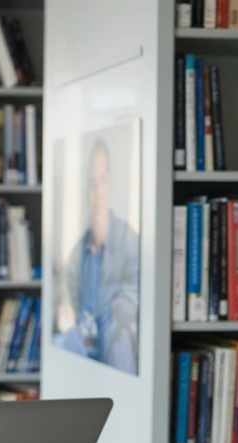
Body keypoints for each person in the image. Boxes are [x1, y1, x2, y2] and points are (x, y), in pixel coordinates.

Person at [55, 139, 140, 374]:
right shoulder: (76, 255)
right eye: (92, 184)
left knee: (120, 340)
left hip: (116, 350)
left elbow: (136, 301)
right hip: (86, 357)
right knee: (66, 343)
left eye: (102, 182)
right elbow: (70, 308)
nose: (98, 194)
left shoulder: (128, 240)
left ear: (110, 184)